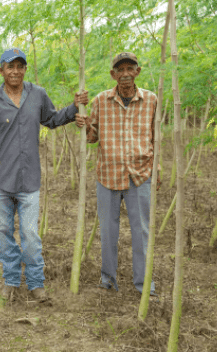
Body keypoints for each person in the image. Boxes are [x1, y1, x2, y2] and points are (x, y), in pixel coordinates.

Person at [0, 47, 88, 302]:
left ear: (25, 69)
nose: (15, 71)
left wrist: (75, 108)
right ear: (1, 71)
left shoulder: (38, 95)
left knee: (30, 235)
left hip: (29, 181)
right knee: (4, 234)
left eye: (20, 66)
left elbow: (53, 119)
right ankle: (11, 281)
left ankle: (36, 284)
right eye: (10, 66)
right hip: (0, 182)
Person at [75, 52, 160, 300]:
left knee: (142, 230)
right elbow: (92, 137)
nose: (125, 74)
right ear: (113, 74)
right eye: (119, 69)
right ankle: (108, 280)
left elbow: (157, 138)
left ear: (138, 71)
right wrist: (83, 123)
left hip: (140, 174)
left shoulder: (151, 100)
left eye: (129, 69)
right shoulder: (101, 101)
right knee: (108, 230)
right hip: (108, 175)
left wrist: (159, 168)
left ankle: (144, 284)